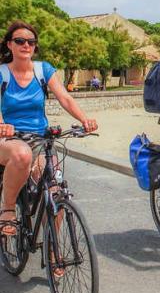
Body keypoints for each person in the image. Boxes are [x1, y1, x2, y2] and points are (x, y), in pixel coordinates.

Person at [0, 20, 98, 239]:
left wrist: (84, 120)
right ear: (9, 45)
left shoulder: (43, 70)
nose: (26, 45)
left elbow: (64, 97)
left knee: (54, 193)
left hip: (40, 139)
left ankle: (54, 255)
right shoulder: (2, 73)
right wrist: (1, 125)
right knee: (22, 154)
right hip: (8, 139)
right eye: (20, 41)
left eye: (31, 42)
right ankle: (7, 210)